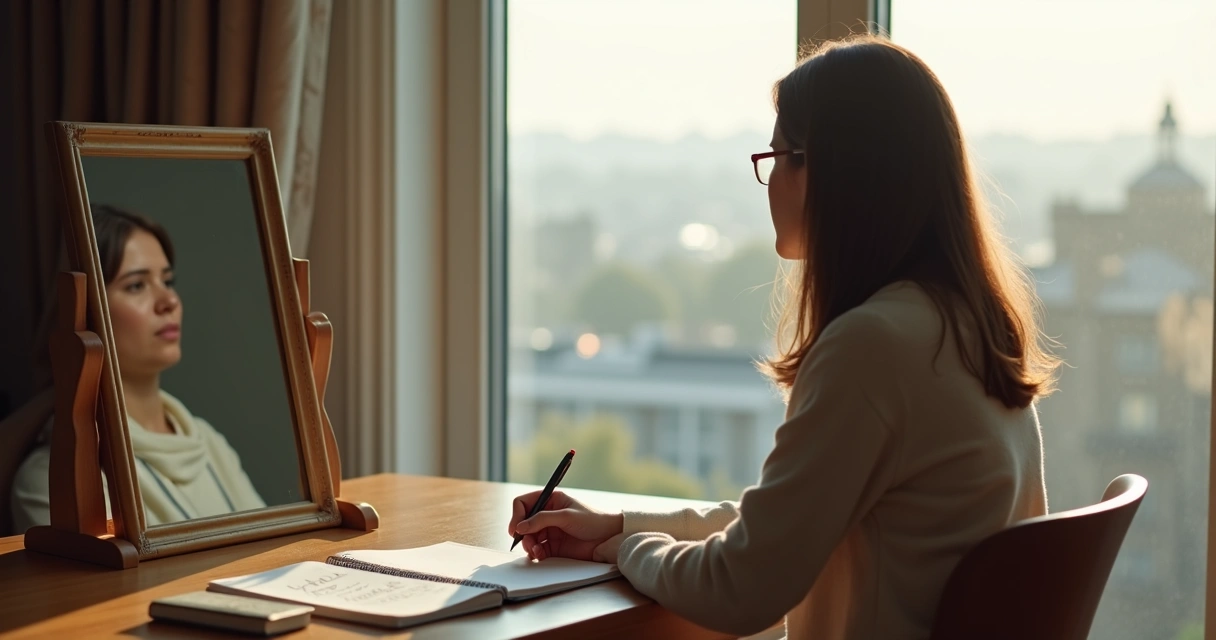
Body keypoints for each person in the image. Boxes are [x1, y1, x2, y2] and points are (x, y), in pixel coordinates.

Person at [506, 34, 1060, 640]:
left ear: (832, 172)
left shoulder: (872, 349)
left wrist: (622, 550)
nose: (767, 183)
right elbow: (783, 526)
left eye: (775, 158)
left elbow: (741, 588)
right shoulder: (962, 328)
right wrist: (617, 525)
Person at [11, 204, 266, 532]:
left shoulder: (207, 441)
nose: (169, 301)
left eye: (168, 280)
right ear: (83, 312)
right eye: (136, 285)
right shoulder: (51, 478)